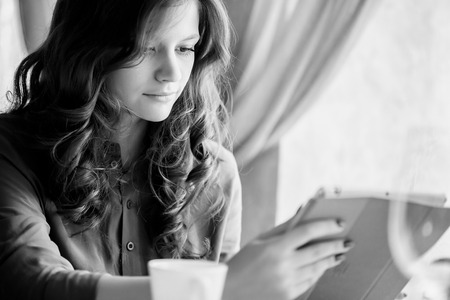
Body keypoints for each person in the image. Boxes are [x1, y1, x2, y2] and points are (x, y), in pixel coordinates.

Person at [0, 0, 352, 299]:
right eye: (146, 47)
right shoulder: (12, 149)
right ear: (89, 45)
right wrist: (214, 288)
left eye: (185, 48)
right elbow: (32, 283)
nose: (171, 72)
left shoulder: (216, 173)